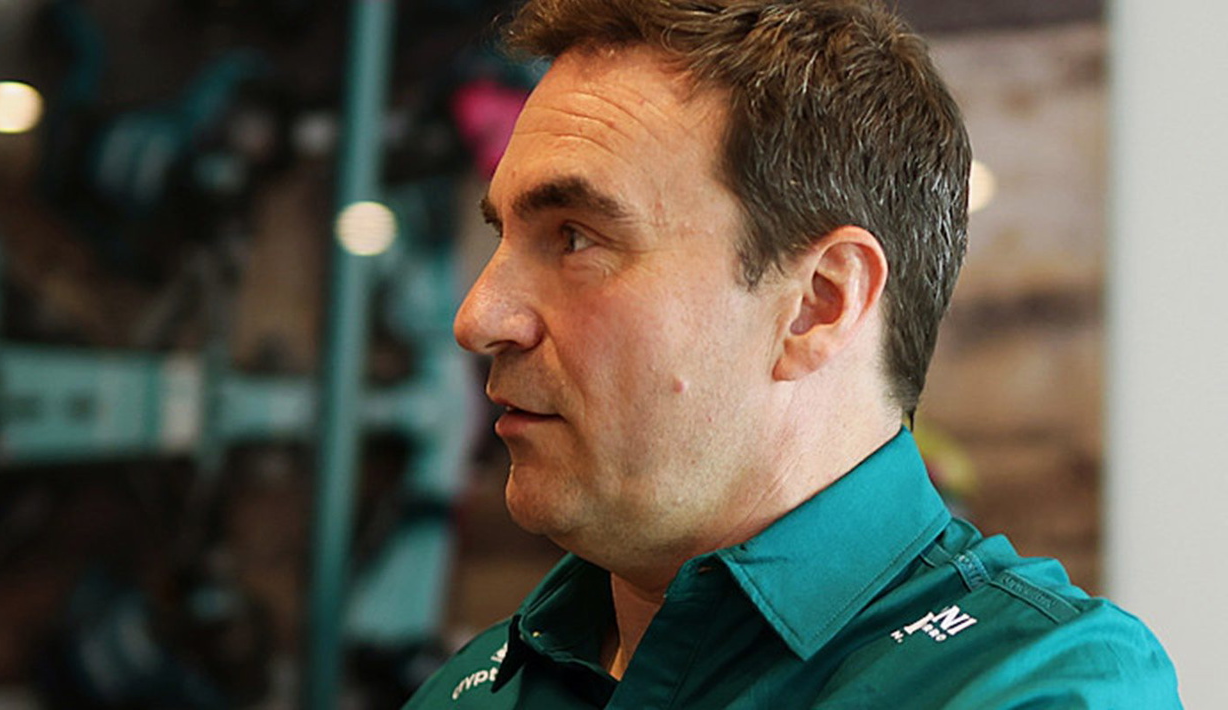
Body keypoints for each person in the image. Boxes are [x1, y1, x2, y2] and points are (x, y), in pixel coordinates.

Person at [404, 0, 1182, 707]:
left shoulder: (1035, 685)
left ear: (819, 303)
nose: (478, 318)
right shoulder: (471, 691)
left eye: (575, 238)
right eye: (501, 236)